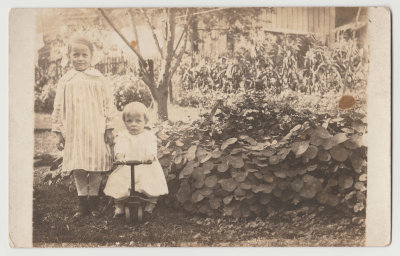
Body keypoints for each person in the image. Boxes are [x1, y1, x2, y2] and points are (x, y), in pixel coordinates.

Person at [52, 35, 115, 218]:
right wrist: (58, 132)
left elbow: (108, 104)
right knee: (79, 167)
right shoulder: (66, 80)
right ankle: (82, 205)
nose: (80, 59)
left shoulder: (98, 78)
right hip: (74, 131)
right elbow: (57, 107)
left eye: (84, 55)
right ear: (69, 56)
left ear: (91, 56)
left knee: (94, 166)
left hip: (95, 130)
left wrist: (109, 128)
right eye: (76, 55)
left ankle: (93, 203)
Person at [103, 102, 169, 218]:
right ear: (124, 122)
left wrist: (149, 156)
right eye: (129, 121)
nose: (133, 124)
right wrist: (120, 156)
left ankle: (150, 205)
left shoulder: (148, 136)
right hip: (127, 165)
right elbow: (120, 147)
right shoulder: (123, 136)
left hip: (145, 165)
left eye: (138, 121)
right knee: (118, 181)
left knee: (153, 182)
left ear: (145, 122)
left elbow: (151, 149)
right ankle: (119, 206)